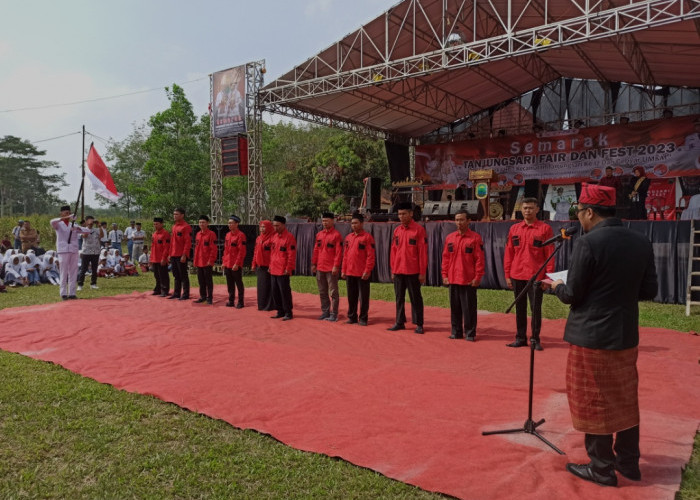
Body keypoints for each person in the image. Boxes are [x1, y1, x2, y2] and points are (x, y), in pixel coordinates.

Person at [549, 183, 657, 487]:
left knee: (593, 399)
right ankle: (629, 463)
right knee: (624, 398)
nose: (579, 219)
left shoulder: (588, 243)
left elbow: (573, 294)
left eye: (580, 212)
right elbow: (650, 290)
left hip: (592, 336)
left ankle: (601, 468)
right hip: (625, 335)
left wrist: (557, 287)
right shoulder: (640, 241)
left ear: (589, 212)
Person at [503, 197, 554, 350]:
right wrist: (507, 274)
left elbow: (550, 254)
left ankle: (535, 339)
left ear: (537, 209)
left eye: (531, 208)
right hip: (517, 274)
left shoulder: (545, 229)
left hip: (536, 276)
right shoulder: (514, 229)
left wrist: (548, 278)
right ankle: (520, 338)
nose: (527, 211)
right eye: (525, 208)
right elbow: (509, 253)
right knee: (520, 308)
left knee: (535, 309)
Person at [441, 210, 485, 341]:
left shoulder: (475, 238)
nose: (459, 222)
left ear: (468, 221)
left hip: (468, 279)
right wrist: (444, 275)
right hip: (453, 278)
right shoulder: (450, 238)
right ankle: (456, 331)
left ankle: (470, 333)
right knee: (455, 308)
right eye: (457, 220)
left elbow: (479, 260)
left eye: (461, 219)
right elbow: (445, 258)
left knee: (469, 308)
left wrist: (478, 277)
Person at [388, 202, 428, 334]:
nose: (401, 216)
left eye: (404, 214)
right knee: (399, 297)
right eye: (399, 214)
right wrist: (393, 269)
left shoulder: (419, 230)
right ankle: (399, 322)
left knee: (415, 298)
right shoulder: (397, 230)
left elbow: (422, 253)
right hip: (399, 270)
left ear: (411, 214)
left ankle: (419, 323)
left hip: (413, 271)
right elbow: (393, 252)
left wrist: (422, 272)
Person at [341, 212, 375, 326]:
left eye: (356, 223)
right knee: (351, 296)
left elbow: (371, 256)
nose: (354, 225)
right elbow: (345, 255)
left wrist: (367, 270)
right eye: (352, 223)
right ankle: (352, 317)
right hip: (350, 272)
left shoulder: (367, 237)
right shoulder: (348, 238)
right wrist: (343, 270)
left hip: (362, 273)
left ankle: (363, 318)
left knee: (364, 297)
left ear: (362, 223)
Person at [50, 205, 90, 300]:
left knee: (73, 272)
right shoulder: (58, 224)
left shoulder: (74, 225)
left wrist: (77, 229)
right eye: (66, 213)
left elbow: (87, 231)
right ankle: (63, 293)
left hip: (73, 249)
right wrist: (67, 218)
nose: (68, 214)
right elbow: (52, 221)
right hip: (63, 250)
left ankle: (72, 293)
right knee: (63, 272)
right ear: (61, 213)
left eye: (69, 213)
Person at [311, 212, 343, 322]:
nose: (325, 223)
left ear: (332, 221)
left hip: (331, 268)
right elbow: (316, 250)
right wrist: (314, 264)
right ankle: (325, 311)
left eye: (327, 221)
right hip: (320, 267)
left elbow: (339, 252)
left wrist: (336, 266)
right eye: (323, 221)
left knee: (333, 292)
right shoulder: (319, 235)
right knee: (322, 291)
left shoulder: (336, 235)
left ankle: (334, 313)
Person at [269, 215, 296, 321]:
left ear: (284, 225)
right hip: (274, 269)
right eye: (274, 226)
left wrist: (288, 268)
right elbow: (272, 253)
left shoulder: (289, 237)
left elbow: (291, 255)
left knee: (284, 292)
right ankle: (279, 311)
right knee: (275, 292)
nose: (276, 228)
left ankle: (288, 312)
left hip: (283, 270)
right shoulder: (274, 237)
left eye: (278, 226)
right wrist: (270, 266)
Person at [222, 215, 246, 308]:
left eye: (231, 223)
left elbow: (242, 251)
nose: (229, 225)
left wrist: (237, 263)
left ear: (237, 224)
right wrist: (224, 262)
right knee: (230, 283)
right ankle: (231, 300)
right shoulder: (228, 235)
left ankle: (240, 302)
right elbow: (226, 250)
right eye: (228, 223)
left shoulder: (241, 235)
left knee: (238, 283)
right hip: (228, 263)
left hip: (235, 264)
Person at [193, 215, 217, 305]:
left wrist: (211, 260)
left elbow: (213, 249)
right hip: (199, 261)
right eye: (200, 222)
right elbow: (196, 249)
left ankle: (209, 298)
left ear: (207, 223)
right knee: (201, 281)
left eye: (203, 222)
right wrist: (195, 261)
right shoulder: (198, 234)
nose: (201, 224)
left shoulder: (211, 234)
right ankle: (202, 296)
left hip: (207, 262)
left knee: (208, 281)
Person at [169, 207, 192, 300]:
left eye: (176, 214)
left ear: (182, 215)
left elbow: (188, 242)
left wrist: (184, 254)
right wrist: (169, 254)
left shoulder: (186, 227)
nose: (174, 216)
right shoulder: (174, 226)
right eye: (174, 214)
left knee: (183, 275)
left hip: (181, 255)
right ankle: (176, 293)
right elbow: (172, 242)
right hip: (173, 254)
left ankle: (186, 294)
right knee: (175, 275)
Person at [251, 220, 275, 311]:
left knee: (269, 287)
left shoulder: (272, 238)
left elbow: (273, 254)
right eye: (261, 226)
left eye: (264, 227)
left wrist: (271, 265)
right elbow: (255, 252)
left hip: (269, 267)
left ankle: (270, 306)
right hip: (260, 266)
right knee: (261, 286)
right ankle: (261, 305)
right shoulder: (258, 238)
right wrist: (253, 264)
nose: (262, 228)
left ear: (269, 227)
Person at [77, 215, 102, 291]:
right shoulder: (83, 229)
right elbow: (84, 236)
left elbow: (101, 236)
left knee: (94, 269)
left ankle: (93, 284)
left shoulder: (97, 229)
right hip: (86, 251)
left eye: (92, 221)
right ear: (86, 221)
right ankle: (80, 285)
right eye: (90, 221)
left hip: (95, 251)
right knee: (83, 269)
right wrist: (87, 227)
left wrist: (99, 226)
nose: (91, 222)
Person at [150, 218, 170, 296]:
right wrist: (151, 258)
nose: (155, 226)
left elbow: (166, 247)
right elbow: (152, 247)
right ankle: (158, 289)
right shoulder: (154, 234)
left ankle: (165, 290)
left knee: (163, 275)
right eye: (154, 224)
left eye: (157, 224)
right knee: (156, 275)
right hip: (155, 258)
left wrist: (164, 258)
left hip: (161, 259)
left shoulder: (165, 234)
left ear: (162, 224)